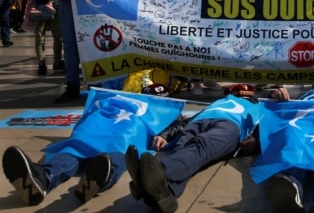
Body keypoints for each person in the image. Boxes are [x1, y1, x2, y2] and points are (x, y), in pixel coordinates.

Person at [2, 88, 183, 206]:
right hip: (102, 122)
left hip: (128, 132)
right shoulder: (122, 92)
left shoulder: (168, 110)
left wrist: (163, 135)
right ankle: (43, 178)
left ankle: (98, 178)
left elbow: (178, 123)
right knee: (77, 148)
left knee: (115, 153)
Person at [124, 85, 289, 213]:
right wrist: (164, 135)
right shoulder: (217, 103)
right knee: (184, 153)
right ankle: (165, 195)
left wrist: (258, 141)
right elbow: (182, 122)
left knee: (202, 146)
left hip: (230, 126)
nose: (239, 92)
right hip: (196, 124)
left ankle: (153, 177)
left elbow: (274, 123)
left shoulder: (259, 105)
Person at [25, 0, 64, 76]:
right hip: (40, 10)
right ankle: (41, 63)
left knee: (58, 37)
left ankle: (57, 61)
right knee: (40, 38)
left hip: (55, 9)